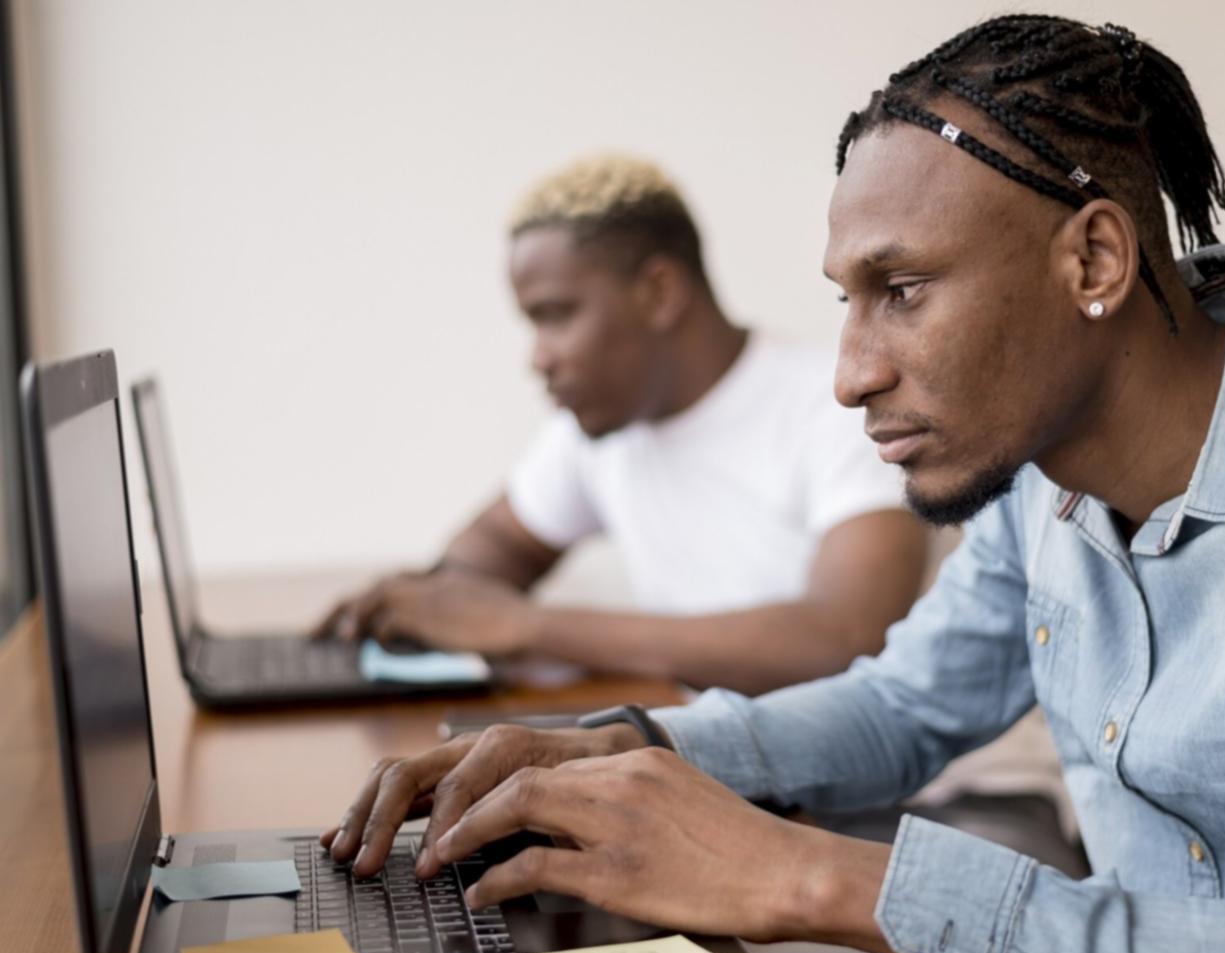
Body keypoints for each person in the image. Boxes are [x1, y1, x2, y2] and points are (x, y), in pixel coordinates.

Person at [322, 16, 1225, 953]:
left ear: (1094, 262)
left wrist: (816, 880)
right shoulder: (1045, 474)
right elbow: (901, 708)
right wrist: (611, 744)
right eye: (846, 298)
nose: (850, 370)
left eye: (902, 290)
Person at [317, 154, 929, 694]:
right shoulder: (606, 424)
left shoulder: (836, 405)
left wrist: (529, 627)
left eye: (555, 316)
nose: (539, 356)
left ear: (659, 292)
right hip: (743, 780)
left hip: (918, 804)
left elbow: (844, 638)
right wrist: (431, 603)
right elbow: (500, 544)